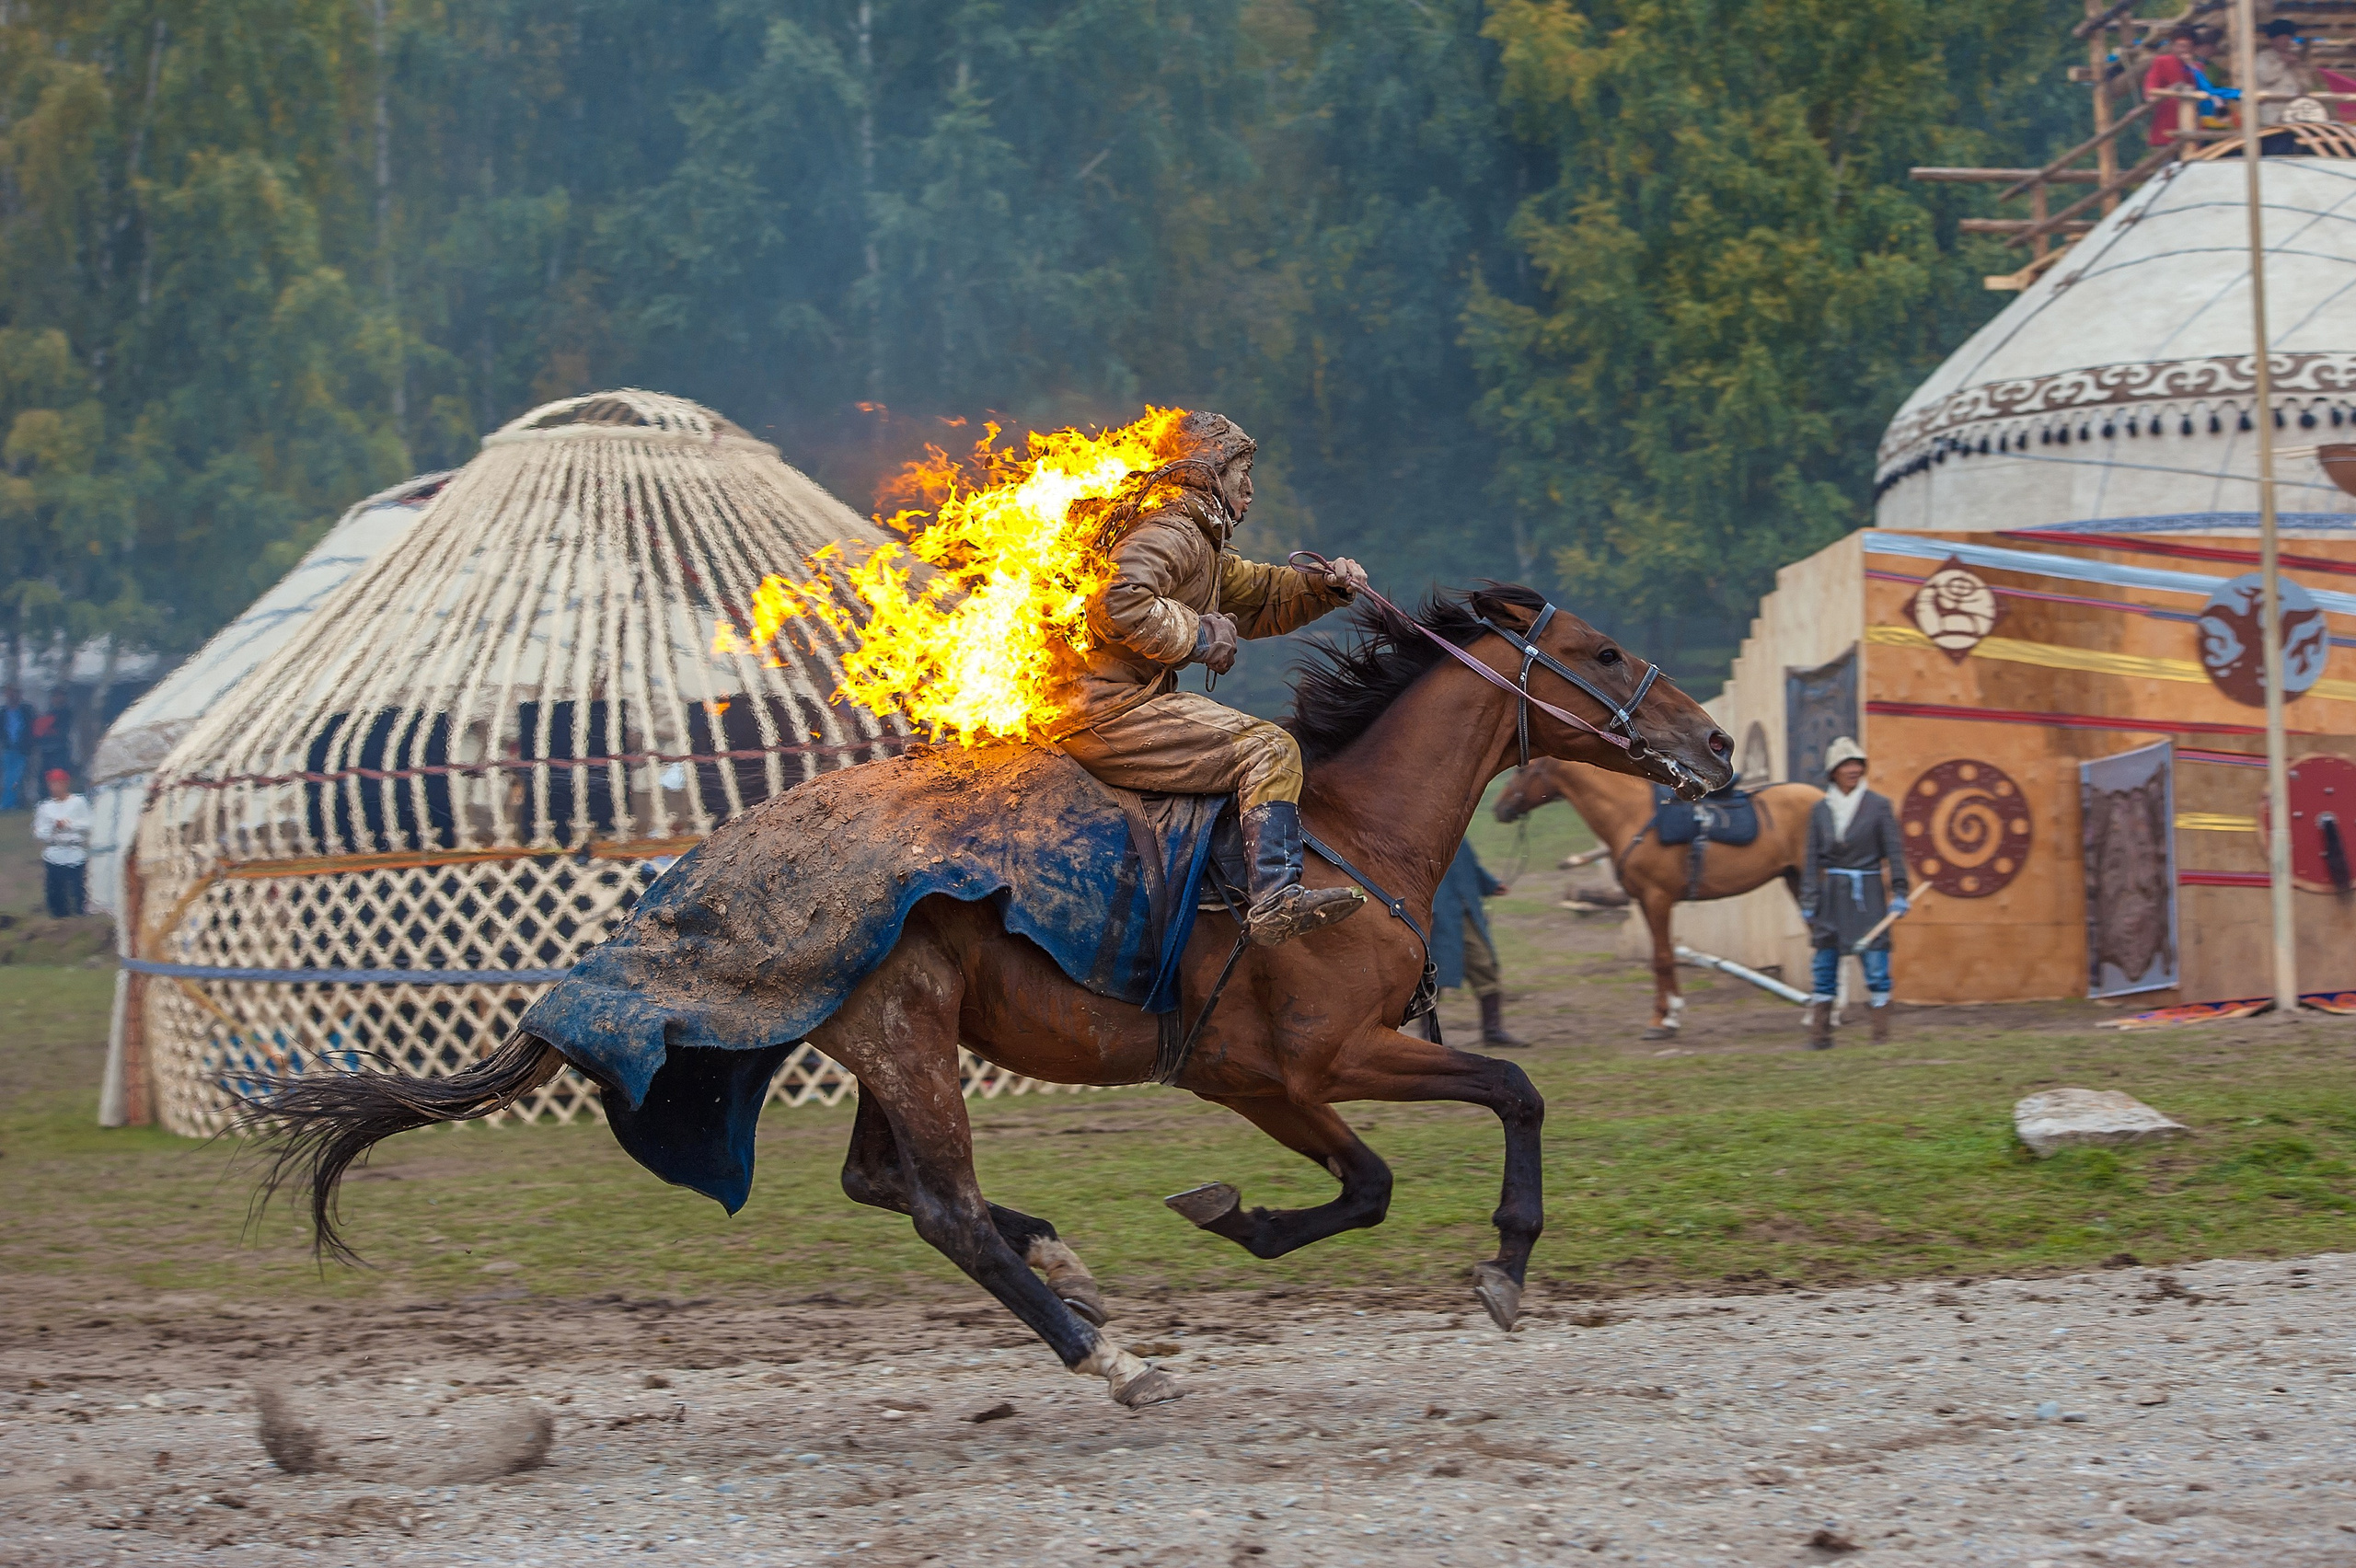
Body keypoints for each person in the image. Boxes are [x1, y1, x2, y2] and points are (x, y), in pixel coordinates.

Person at [1047, 410, 1370, 947]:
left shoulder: (1196, 539)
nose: (1249, 488)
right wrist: (1199, 636)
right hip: (1105, 710)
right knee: (1270, 750)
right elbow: (1117, 604)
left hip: (1097, 705)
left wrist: (1325, 587)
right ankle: (1275, 900)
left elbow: (1257, 597)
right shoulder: (1174, 530)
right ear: (1209, 470)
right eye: (1242, 472)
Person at [1798, 736, 1908, 1047]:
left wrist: (1900, 891)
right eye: (1846, 764)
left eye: (1857, 764)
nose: (1853, 769)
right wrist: (1809, 899)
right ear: (1833, 771)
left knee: (1876, 968)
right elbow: (1811, 859)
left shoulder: (1879, 806)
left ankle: (1880, 1036)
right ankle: (1820, 1036)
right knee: (1824, 966)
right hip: (1831, 895)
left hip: (1868, 896)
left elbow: (1895, 853)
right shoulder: (1820, 810)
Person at [1432, 839, 1524, 1047]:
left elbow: (1469, 866)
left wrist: (1490, 884)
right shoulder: (1415, 833)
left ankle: (1493, 1031)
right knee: (1433, 976)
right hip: (1435, 917)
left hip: (1466, 915)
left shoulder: (1457, 835)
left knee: (1485, 966)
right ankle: (1430, 1038)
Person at [33, 767, 90, 918]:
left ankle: (80, 910)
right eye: (51, 784)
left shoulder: (78, 802)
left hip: (75, 850)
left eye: (57, 783)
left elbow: (88, 823)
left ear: (65, 784)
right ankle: (58, 913)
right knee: (55, 887)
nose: (54, 787)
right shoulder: (45, 807)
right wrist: (53, 828)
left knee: (78, 885)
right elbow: (39, 832)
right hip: (54, 851)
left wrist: (68, 825)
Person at [2254, 18, 2317, 129]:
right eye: (2281, 38)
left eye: (2288, 38)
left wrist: (2297, 68)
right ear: (2273, 39)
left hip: (2293, 115)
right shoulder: (2263, 57)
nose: (2285, 41)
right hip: (2270, 116)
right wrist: (2282, 63)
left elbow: (2307, 85)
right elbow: (2266, 77)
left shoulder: (2294, 58)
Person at [0, 685, 30, 811]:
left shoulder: (26, 710)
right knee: (9, 778)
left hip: (21, 750)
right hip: (7, 749)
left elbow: (32, 728)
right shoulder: (3, 712)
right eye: (8, 693)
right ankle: (8, 803)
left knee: (15, 778)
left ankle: (9, 803)